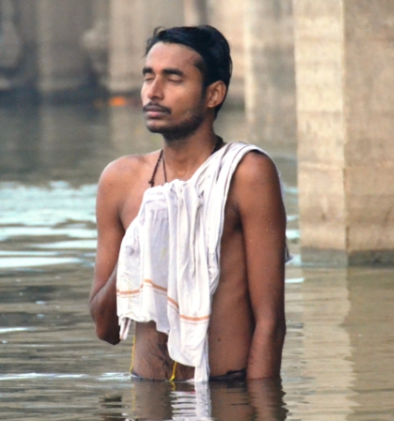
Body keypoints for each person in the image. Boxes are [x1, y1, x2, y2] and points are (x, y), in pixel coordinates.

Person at [88, 25, 287, 382]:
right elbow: (105, 329)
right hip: (148, 401)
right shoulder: (120, 180)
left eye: (173, 79)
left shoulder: (247, 174)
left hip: (226, 396)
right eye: (148, 77)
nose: (154, 91)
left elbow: (270, 322)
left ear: (213, 94)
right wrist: (139, 246)